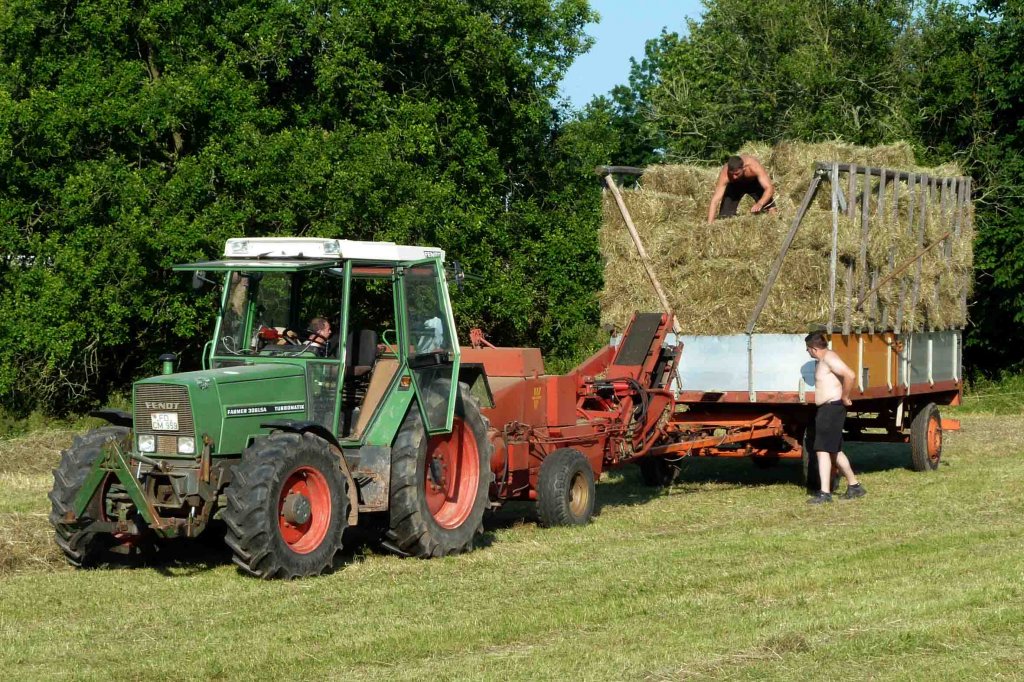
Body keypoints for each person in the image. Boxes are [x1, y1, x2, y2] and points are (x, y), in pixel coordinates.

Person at [804, 331, 866, 504]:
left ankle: (825, 493)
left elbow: (850, 374)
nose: (807, 352)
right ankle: (855, 486)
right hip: (828, 409)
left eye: (807, 349)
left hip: (831, 409)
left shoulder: (829, 358)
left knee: (822, 450)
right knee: (834, 451)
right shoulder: (824, 360)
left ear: (814, 348)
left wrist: (845, 397)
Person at [707, 154, 777, 223]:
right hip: (734, 186)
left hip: (754, 184)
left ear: (744, 168)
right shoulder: (725, 173)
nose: (734, 177)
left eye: (737, 174)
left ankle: (773, 223)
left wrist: (760, 203)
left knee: (771, 209)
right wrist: (709, 224)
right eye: (731, 174)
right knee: (725, 217)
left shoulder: (753, 166)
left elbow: (769, 188)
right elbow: (715, 200)